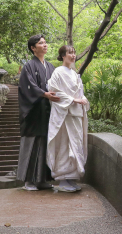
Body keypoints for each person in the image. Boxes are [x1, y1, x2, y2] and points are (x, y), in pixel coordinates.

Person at [16, 34, 60, 191]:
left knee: (45, 144)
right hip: (33, 112)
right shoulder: (29, 66)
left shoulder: (51, 67)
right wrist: (44, 94)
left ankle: (41, 180)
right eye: (41, 43)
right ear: (33, 48)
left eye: (45, 42)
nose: (45, 45)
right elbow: (28, 86)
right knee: (32, 144)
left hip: (47, 111)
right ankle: (28, 181)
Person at [46, 45, 89, 193]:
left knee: (76, 145)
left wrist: (82, 99)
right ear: (63, 56)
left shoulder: (74, 74)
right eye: (70, 53)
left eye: (74, 52)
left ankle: (71, 178)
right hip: (65, 115)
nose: (73, 55)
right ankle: (63, 180)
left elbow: (80, 92)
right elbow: (54, 91)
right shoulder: (58, 72)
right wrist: (74, 100)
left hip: (75, 114)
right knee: (65, 145)